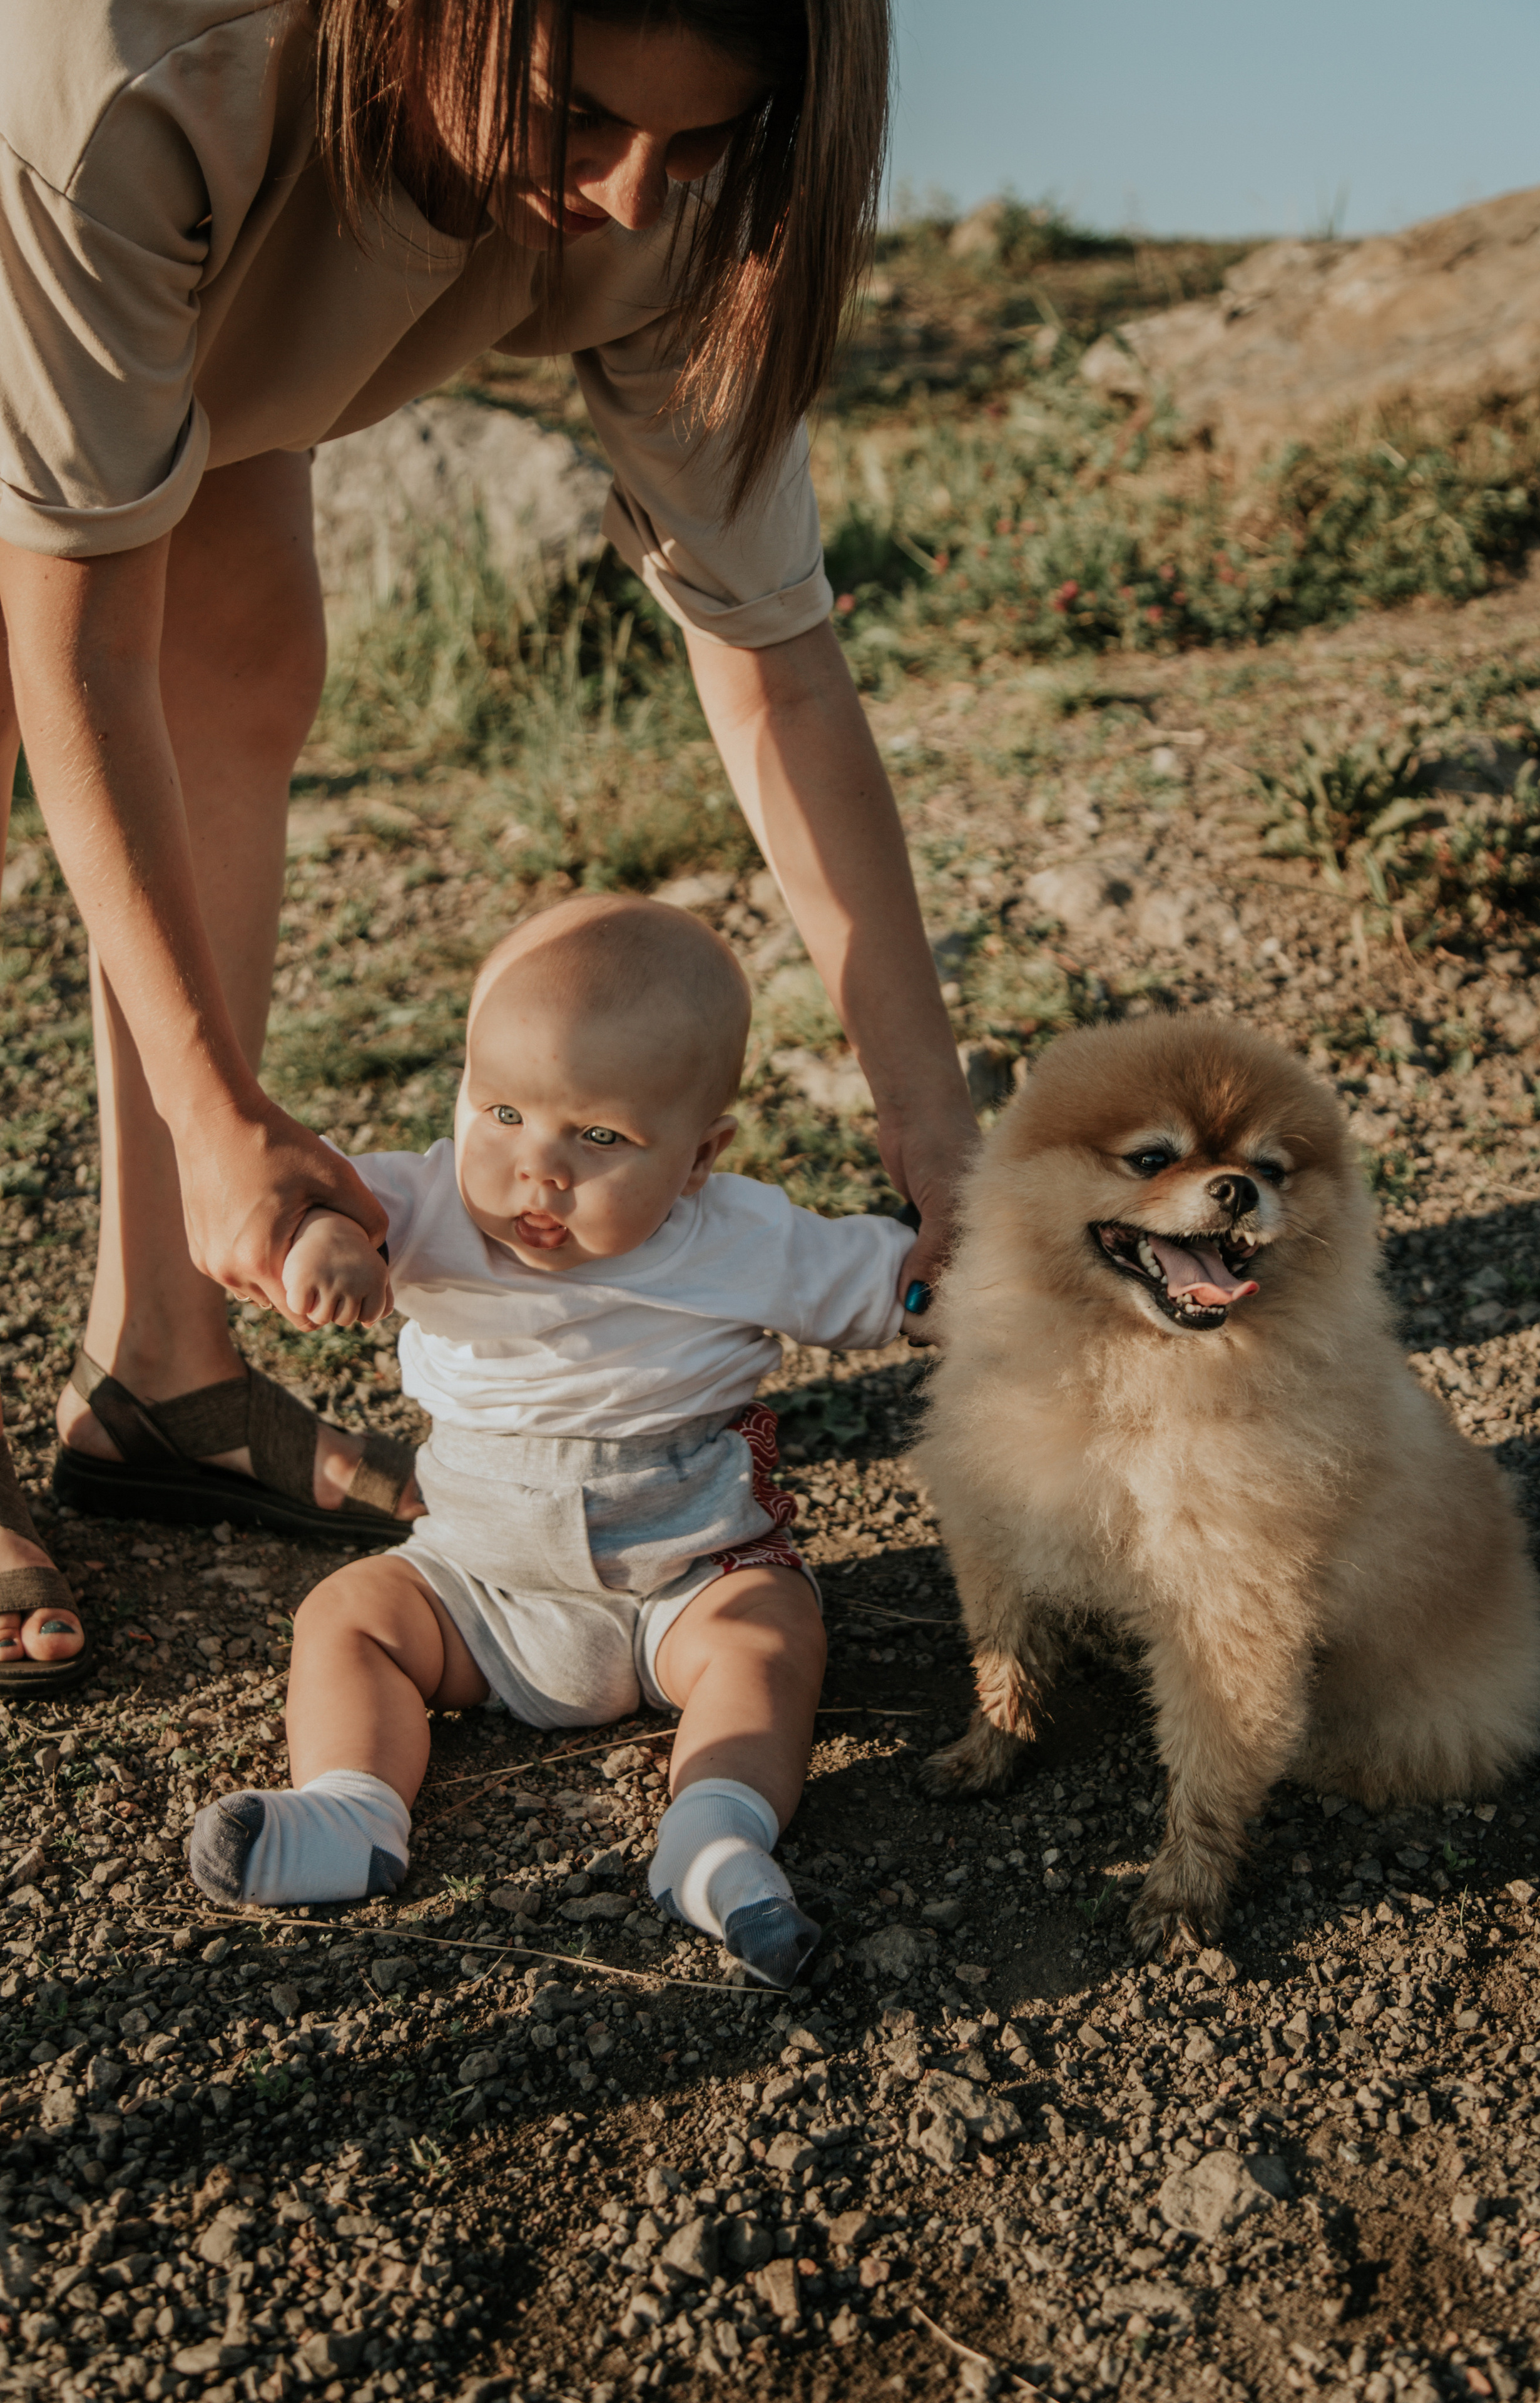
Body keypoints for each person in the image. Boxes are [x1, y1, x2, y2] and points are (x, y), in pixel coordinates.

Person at [0, 0, 977, 1693]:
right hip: (55, 225)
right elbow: (75, 642)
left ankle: (163, 1360)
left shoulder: (669, 200)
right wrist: (215, 1110)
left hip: (228, 279)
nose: (620, 195)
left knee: (242, 660)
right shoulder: (144, 69)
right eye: (576, 119)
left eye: (695, 145)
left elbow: (776, 673)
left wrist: (936, 1123)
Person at [189, 895, 922, 1987]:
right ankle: (354, 1808)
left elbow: (900, 1282)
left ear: (697, 1156)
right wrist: (329, 1238)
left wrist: (985, 1287)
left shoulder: (746, 1237)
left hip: (686, 1579)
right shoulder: (427, 1201)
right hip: (475, 1590)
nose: (538, 1170)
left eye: (598, 1137)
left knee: (772, 1637)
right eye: (501, 1113)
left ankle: (714, 1835)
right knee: (348, 1616)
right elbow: (318, 1189)